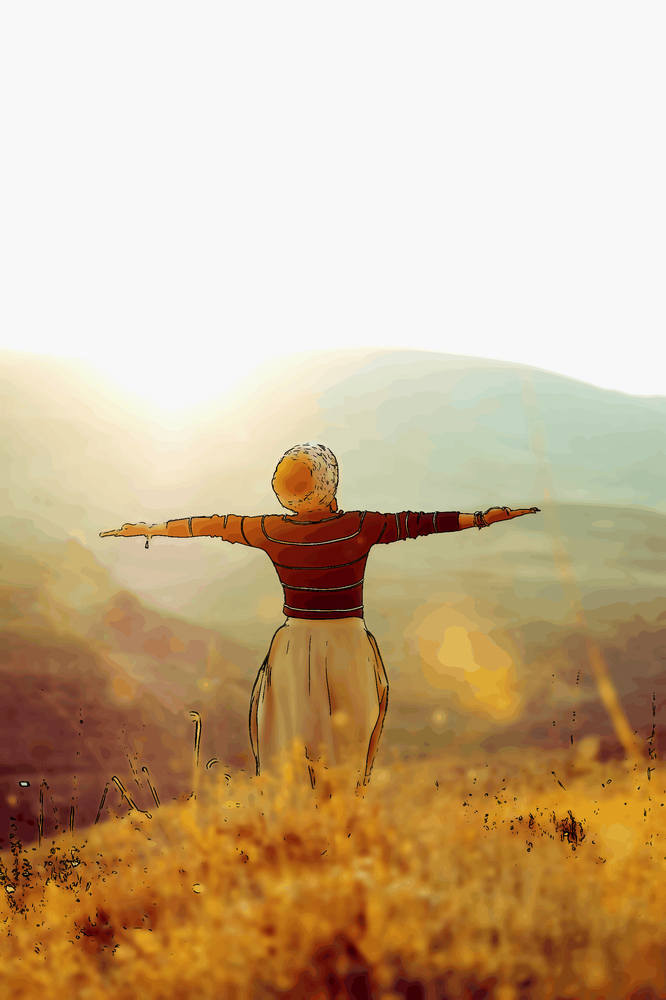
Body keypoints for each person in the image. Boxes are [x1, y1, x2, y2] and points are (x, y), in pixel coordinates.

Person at [101, 442, 539, 791]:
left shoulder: (271, 529)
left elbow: (212, 524)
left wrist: (150, 529)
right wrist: (484, 518)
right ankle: (339, 828)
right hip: (348, 644)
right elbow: (422, 522)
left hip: (292, 646)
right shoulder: (360, 526)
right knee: (347, 745)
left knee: (288, 741)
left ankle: (295, 828)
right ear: (330, 483)